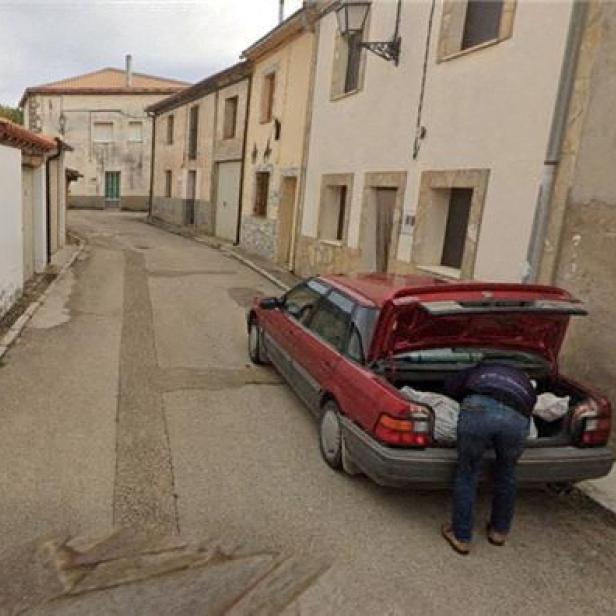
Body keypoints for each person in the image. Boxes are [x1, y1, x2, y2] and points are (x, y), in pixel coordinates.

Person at [441, 362, 536, 555]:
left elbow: (451, 387)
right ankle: (499, 531)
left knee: (467, 473)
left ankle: (461, 536)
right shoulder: (525, 381)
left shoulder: (478, 370)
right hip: (515, 419)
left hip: (478, 408)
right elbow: (530, 407)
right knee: (507, 472)